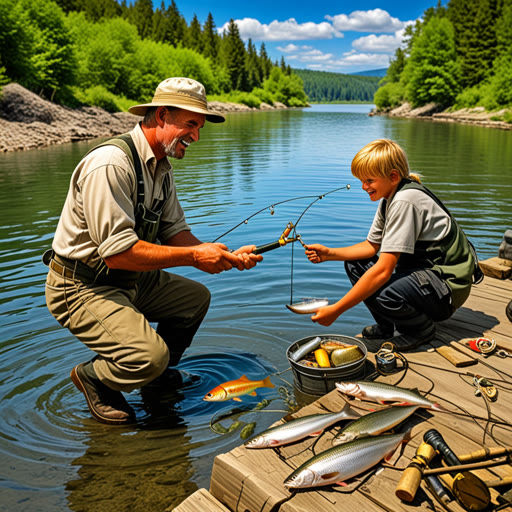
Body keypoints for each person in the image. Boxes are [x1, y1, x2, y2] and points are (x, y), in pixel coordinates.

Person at [44, 77, 262, 425]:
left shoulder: (161, 166)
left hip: (130, 278)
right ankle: (94, 378)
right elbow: (117, 253)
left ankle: (156, 378)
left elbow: (175, 232)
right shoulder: (111, 164)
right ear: (161, 115)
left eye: (199, 127)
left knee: (193, 300)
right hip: (82, 286)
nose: (196, 136)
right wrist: (195, 256)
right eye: (190, 125)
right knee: (148, 356)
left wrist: (225, 255)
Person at [305, 138, 477, 352]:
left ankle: (420, 329)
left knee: (382, 288)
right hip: (426, 279)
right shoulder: (389, 197)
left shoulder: (405, 201)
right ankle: (386, 325)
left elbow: (384, 271)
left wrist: (336, 310)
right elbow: (370, 247)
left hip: (447, 289)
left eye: (369, 180)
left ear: (393, 176)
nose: (363, 187)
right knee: (354, 263)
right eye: (361, 180)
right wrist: (329, 253)